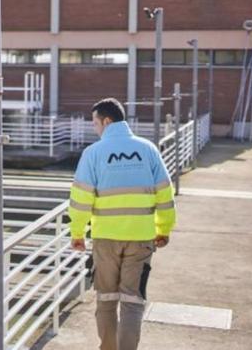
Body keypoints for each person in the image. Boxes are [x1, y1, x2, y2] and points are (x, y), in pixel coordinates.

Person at [68, 98, 176, 350]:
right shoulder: (148, 149)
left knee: (106, 300)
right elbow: (165, 194)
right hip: (141, 238)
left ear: (106, 121)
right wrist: (163, 229)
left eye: (95, 123)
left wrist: (77, 233)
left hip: (105, 239)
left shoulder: (93, 153)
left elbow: (81, 199)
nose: (94, 128)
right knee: (132, 301)